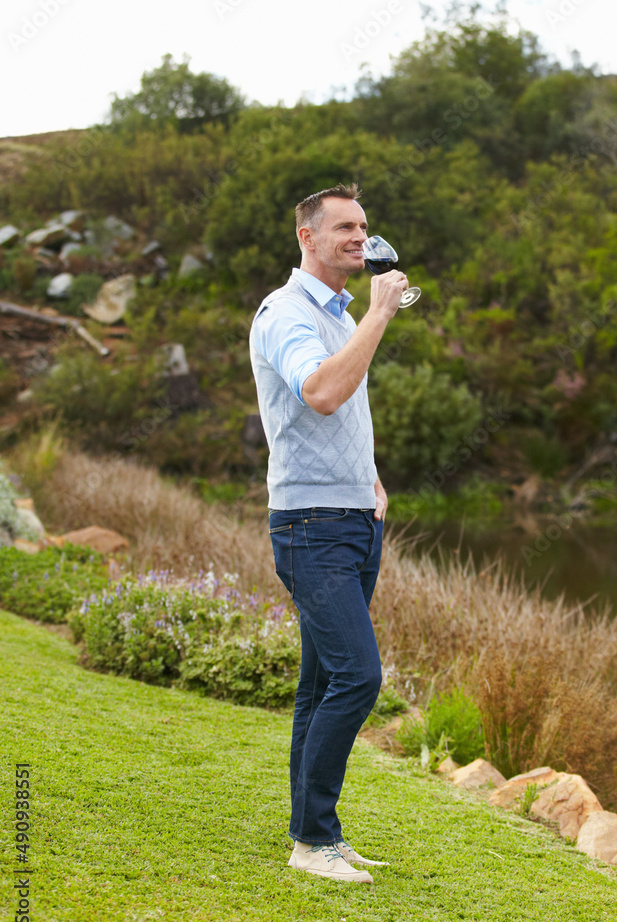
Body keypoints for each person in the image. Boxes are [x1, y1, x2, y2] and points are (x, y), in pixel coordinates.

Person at [249, 183, 408, 884]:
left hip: (351, 518)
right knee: (357, 675)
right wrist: (379, 312)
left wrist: (369, 478)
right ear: (306, 237)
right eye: (343, 226)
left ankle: (317, 834)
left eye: (363, 226)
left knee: (319, 685)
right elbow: (320, 392)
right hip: (311, 526)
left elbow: (341, 416)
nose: (359, 236)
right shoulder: (286, 314)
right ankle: (311, 844)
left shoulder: (339, 313)